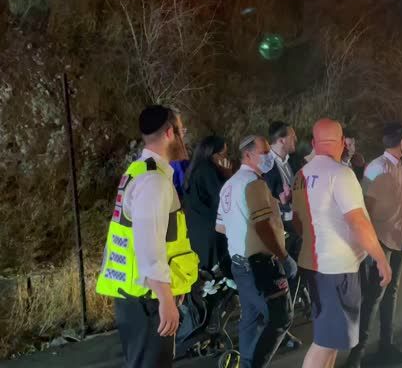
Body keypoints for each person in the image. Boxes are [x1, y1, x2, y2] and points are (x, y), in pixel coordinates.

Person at [95, 105, 199, 368]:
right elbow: (149, 246)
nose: (184, 136)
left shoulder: (140, 171)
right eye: (182, 130)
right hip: (148, 301)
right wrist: (165, 297)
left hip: (139, 298)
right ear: (169, 133)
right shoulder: (154, 181)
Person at [292, 118, 393, 368]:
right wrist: (380, 258)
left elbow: (297, 222)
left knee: (332, 338)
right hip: (338, 268)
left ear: (314, 143)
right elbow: (358, 221)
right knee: (325, 343)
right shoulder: (340, 174)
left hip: (313, 264)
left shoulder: (300, 175)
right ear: (340, 143)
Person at [215, 135, 297, 368]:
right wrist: (284, 257)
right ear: (247, 155)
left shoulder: (229, 185)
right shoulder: (254, 183)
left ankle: (246, 363)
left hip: (240, 264)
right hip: (261, 265)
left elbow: (220, 226)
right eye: (264, 152)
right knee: (281, 318)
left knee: (251, 321)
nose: (269, 157)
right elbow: (263, 226)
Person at [347, 122, 402, 367]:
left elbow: (401, 206)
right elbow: (366, 208)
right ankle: (356, 355)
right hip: (381, 241)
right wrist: (371, 245)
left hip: (399, 238)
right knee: (373, 297)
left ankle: (386, 344)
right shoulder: (377, 168)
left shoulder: (398, 167)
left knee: (390, 295)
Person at [261, 121, 303, 349]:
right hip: (279, 229)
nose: (295, 140)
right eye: (292, 137)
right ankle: (281, 328)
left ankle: (287, 320)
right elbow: (265, 200)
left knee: (296, 275)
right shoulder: (265, 167)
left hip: (296, 224)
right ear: (281, 140)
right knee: (285, 277)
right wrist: (281, 200)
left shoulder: (293, 161)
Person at [183, 135, 232, 271]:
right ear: (214, 155)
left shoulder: (194, 169)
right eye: (224, 154)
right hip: (211, 233)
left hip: (196, 232)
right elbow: (223, 201)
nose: (226, 158)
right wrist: (228, 176)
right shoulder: (208, 170)